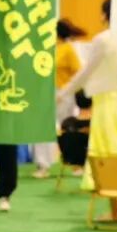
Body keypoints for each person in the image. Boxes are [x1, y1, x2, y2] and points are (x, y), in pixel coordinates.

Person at [57, 0, 117, 222]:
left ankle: (116, 212)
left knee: (109, 154)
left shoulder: (103, 40)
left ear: (104, 15)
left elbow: (86, 72)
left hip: (110, 103)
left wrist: (64, 92)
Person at [31, 18, 86, 178]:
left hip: (64, 94)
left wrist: (66, 92)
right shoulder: (45, 50)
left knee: (67, 129)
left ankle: (76, 164)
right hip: (45, 92)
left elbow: (78, 73)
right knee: (41, 127)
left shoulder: (68, 49)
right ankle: (43, 165)